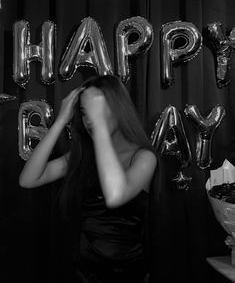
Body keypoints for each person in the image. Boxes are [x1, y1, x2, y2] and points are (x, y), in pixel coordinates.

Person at [19, 74, 157, 283]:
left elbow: (115, 196)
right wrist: (60, 121)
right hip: (83, 272)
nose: (89, 120)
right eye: (84, 113)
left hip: (127, 274)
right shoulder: (84, 156)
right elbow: (28, 180)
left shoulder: (144, 158)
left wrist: (98, 122)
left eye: (96, 111)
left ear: (119, 109)